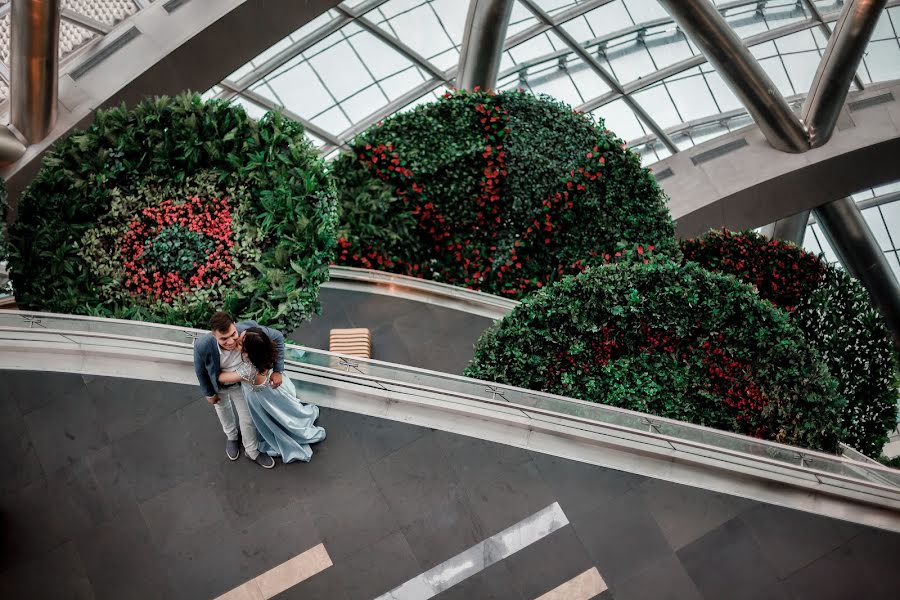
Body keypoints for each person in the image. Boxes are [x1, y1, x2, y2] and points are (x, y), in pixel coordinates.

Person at [217, 327, 325, 463]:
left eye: (240, 343)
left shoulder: (248, 369)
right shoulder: (265, 355)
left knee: (269, 419)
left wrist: (212, 370)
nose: (237, 338)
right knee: (283, 412)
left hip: (260, 399)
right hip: (273, 392)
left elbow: (223, 377)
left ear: (247, 353)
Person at [193, 311, 285, 469]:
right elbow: (200, 370)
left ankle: (252, 451)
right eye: (223, 339)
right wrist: (209, 393)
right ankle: (232, 437)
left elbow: (278, 337)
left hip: (241, 384)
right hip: (219, 386)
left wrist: (278, 370)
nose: (230, 342)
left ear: (234, 325)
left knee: (247, 418)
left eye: (232, 334)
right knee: (223, 410)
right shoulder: (202, 345)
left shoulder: (249, 329)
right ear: (214, 335)